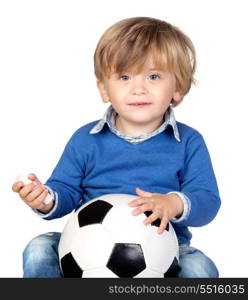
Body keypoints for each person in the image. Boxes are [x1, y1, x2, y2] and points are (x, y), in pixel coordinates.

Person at [12, 16, 221, 278]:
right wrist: (44, 199)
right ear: (104, 90)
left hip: (166, 251)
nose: (138, 89)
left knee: (199, 268)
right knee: (39, 248)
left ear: (177, 88)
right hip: (87, 247)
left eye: (153, 76)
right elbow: (65, 190)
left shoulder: (188, 142)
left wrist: (173, 203)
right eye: (124, 77)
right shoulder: (86, 139)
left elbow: (207, 200)